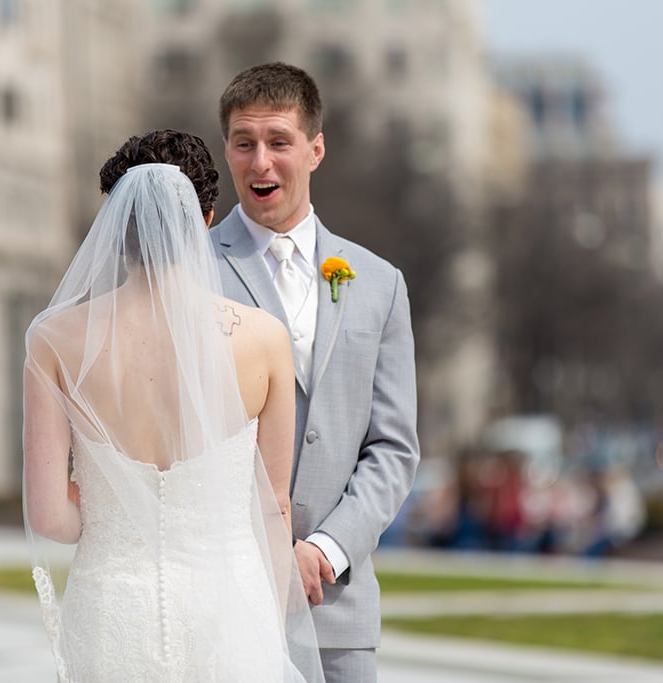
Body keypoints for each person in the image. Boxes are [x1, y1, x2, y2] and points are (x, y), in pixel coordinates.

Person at [23, 129, 324, 682]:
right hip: (229, 609)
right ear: (206, 219)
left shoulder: (54, 342)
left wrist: (115, 508)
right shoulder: (263, 338)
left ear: (114, 228)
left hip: (112, 609)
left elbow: (51, 519)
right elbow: (272, 505)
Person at [211, 63, 420, 682]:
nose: (260, 163)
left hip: (340, 609)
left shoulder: (378, 283)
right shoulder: (185, 271)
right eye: (244, 144)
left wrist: (324, 551)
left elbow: (394, 448)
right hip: (226, 601)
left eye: (278, 141)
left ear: (315, 148)